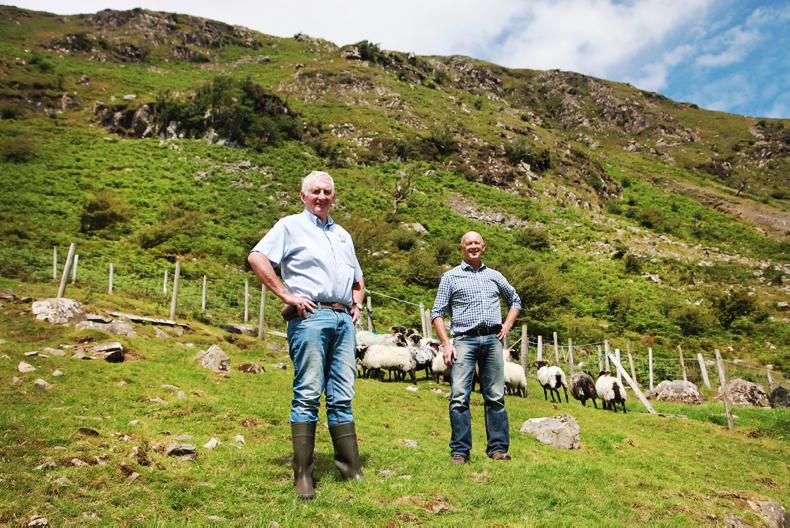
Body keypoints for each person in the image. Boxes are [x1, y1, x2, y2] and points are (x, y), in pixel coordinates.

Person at [248, 170, 365, 500]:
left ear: (334, 197)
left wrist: (357, 303)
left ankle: (351, 470)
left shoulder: (342, 234)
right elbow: (257, 257)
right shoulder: (290, 226)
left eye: (327, 192)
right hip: (310, 317)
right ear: (303, 196)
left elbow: (358, 279)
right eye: (315, 191)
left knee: (342, 393)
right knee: (309, 391)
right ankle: (303, 475)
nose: (322, 196)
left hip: (343, 320)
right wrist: (286, 295)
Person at [431, 231, 521, 464]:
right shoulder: (450, 277)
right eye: (468, 243)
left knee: (496, 396)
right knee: (459, 396)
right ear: (461, 248)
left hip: (492, 340)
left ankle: (498, 449)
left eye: (477, 243)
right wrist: (446, 344)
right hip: (464, 340)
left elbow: (515, 300)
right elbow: (437, 313)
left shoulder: (494, 276)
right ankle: (460, 451)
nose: (473, 246)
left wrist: (508, 324)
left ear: (484, 247)